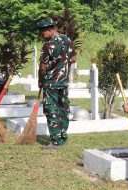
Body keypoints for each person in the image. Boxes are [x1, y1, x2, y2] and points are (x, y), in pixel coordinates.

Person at [37, 18, 73, 149]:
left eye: (42, 32)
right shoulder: (68, 40)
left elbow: (42, 67)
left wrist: (40, 80)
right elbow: (73, 58)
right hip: (63, 82)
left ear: (50, 29)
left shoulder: (48, 45)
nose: (41, 35)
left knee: (52, 110)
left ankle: (56, 141)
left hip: (51, 83)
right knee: (63, 109)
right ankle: (63, 136)